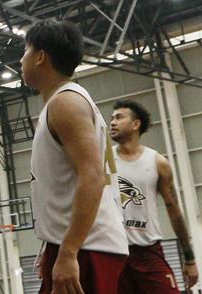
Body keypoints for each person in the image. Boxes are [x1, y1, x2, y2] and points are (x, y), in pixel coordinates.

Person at [23, 19, 128, 294]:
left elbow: (92, 177)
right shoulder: (60, 104)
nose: (21, 59)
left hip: (86, 247)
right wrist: (53, 246)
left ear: (40, 57)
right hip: (76, 244)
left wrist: (68, 251)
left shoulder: (66, 103)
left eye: (25, 50)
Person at [109, 100, 198, 294]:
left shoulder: (158, 162)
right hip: (113, 253)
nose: (112, 122)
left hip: (148, 253)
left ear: (136, 124)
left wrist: (189, 258)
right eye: (111, 118)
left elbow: (174, 211)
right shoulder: (102, 159)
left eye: (119, 117)